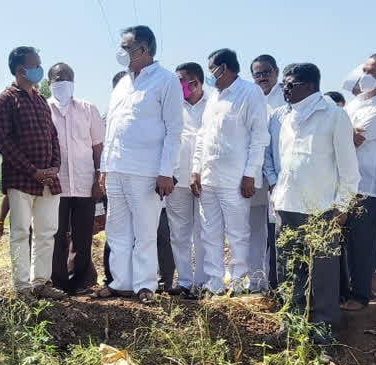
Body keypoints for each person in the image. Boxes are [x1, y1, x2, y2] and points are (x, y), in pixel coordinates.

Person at [271, 63, 359, 337]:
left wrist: (342, 206)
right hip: (287, 206)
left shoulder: (334, 116)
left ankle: (322, 332)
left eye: (290, 85)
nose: (284, 89)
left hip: (321, 209)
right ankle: (291, 327)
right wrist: (277, 195)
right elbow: (288, 164)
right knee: (288, 270)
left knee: (321, 275)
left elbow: (349, 170)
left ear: (309, 86)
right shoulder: (286, 118)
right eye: (283, 84)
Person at [96, 25, 183, 303]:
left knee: (145, 231)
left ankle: (145, 284)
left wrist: (166, 172)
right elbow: (112, 129)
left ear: (143, 50)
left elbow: (174, 130)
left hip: (147, 171)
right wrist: (104, 169)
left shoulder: (165, 81)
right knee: (117, 230)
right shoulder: (122, 83)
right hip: (116, 170)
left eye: (126, 48)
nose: (121, 53)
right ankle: (121, 282)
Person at [191, 48, 269, 294]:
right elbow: (202, 136)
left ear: (223, 68)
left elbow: (259, 137)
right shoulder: (214, 97)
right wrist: (196, 170)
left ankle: (237, 283)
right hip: (209, 177)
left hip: (236, 179)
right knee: (210, 232)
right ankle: (214, 283)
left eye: (211, 68)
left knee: (237, 233)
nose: (209, 74)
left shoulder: (250, 92)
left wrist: (250, 174)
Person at [0, 47, 65, 299]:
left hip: (48, 180)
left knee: (46, 232)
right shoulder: (5, 100)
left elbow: (53, 137)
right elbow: (5, 143)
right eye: (36, 65)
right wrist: (33, 171)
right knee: (21, 232)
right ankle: (22, 286)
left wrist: (54, 167)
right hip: (22, 179)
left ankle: (41, 282)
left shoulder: (41, 100)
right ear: (21, 70)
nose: (39, 69)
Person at [340, 54, 376, 311]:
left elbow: (353, 138)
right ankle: (345, 291)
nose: (362, 74)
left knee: (363, 243)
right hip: (345, 183)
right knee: (343, 241)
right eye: (362, 68)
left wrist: (338, 131)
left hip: (367, 186)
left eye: (369, 71)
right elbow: (343, 132)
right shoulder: (357, 102)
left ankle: (361, 295)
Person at [47, 63, 105, 295]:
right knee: (57, 234)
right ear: (50, 82)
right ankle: (58, 282)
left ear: (74, 81)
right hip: (56, 185)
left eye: (67, 77)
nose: (63, 81)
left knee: (83, 236)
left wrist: (99, 177)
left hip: (84, 182)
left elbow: (97, 146)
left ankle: (80, 281)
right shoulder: (43, 108)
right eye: (58, 78)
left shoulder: (87, 108)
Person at [164, 62, 208, 297]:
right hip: (177, 179)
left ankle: (202, 283)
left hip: (205, 180)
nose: (177, 85)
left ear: (195, 82)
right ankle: (184, 281)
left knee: (204, 233)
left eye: (180, 80)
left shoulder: (213, 106)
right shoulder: (172, 106)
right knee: (179, 233)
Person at [251, 55, 286, 291]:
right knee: (254, 230)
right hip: (253, 175)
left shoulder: (287, 98)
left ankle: (276, 282)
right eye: (257, 74)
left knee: (276, 230)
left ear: (276, 72)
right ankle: (255, 280)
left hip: (277, 176)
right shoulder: (251, 97)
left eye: (266, 72)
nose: (262, 77)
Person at [100, 70, 128, 287]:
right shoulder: (107, 117)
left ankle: (137, 278)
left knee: (141, 235)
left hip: (139, 180)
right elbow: (102, 150)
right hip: (113, 182)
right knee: (115, 231)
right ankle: (113, 278)